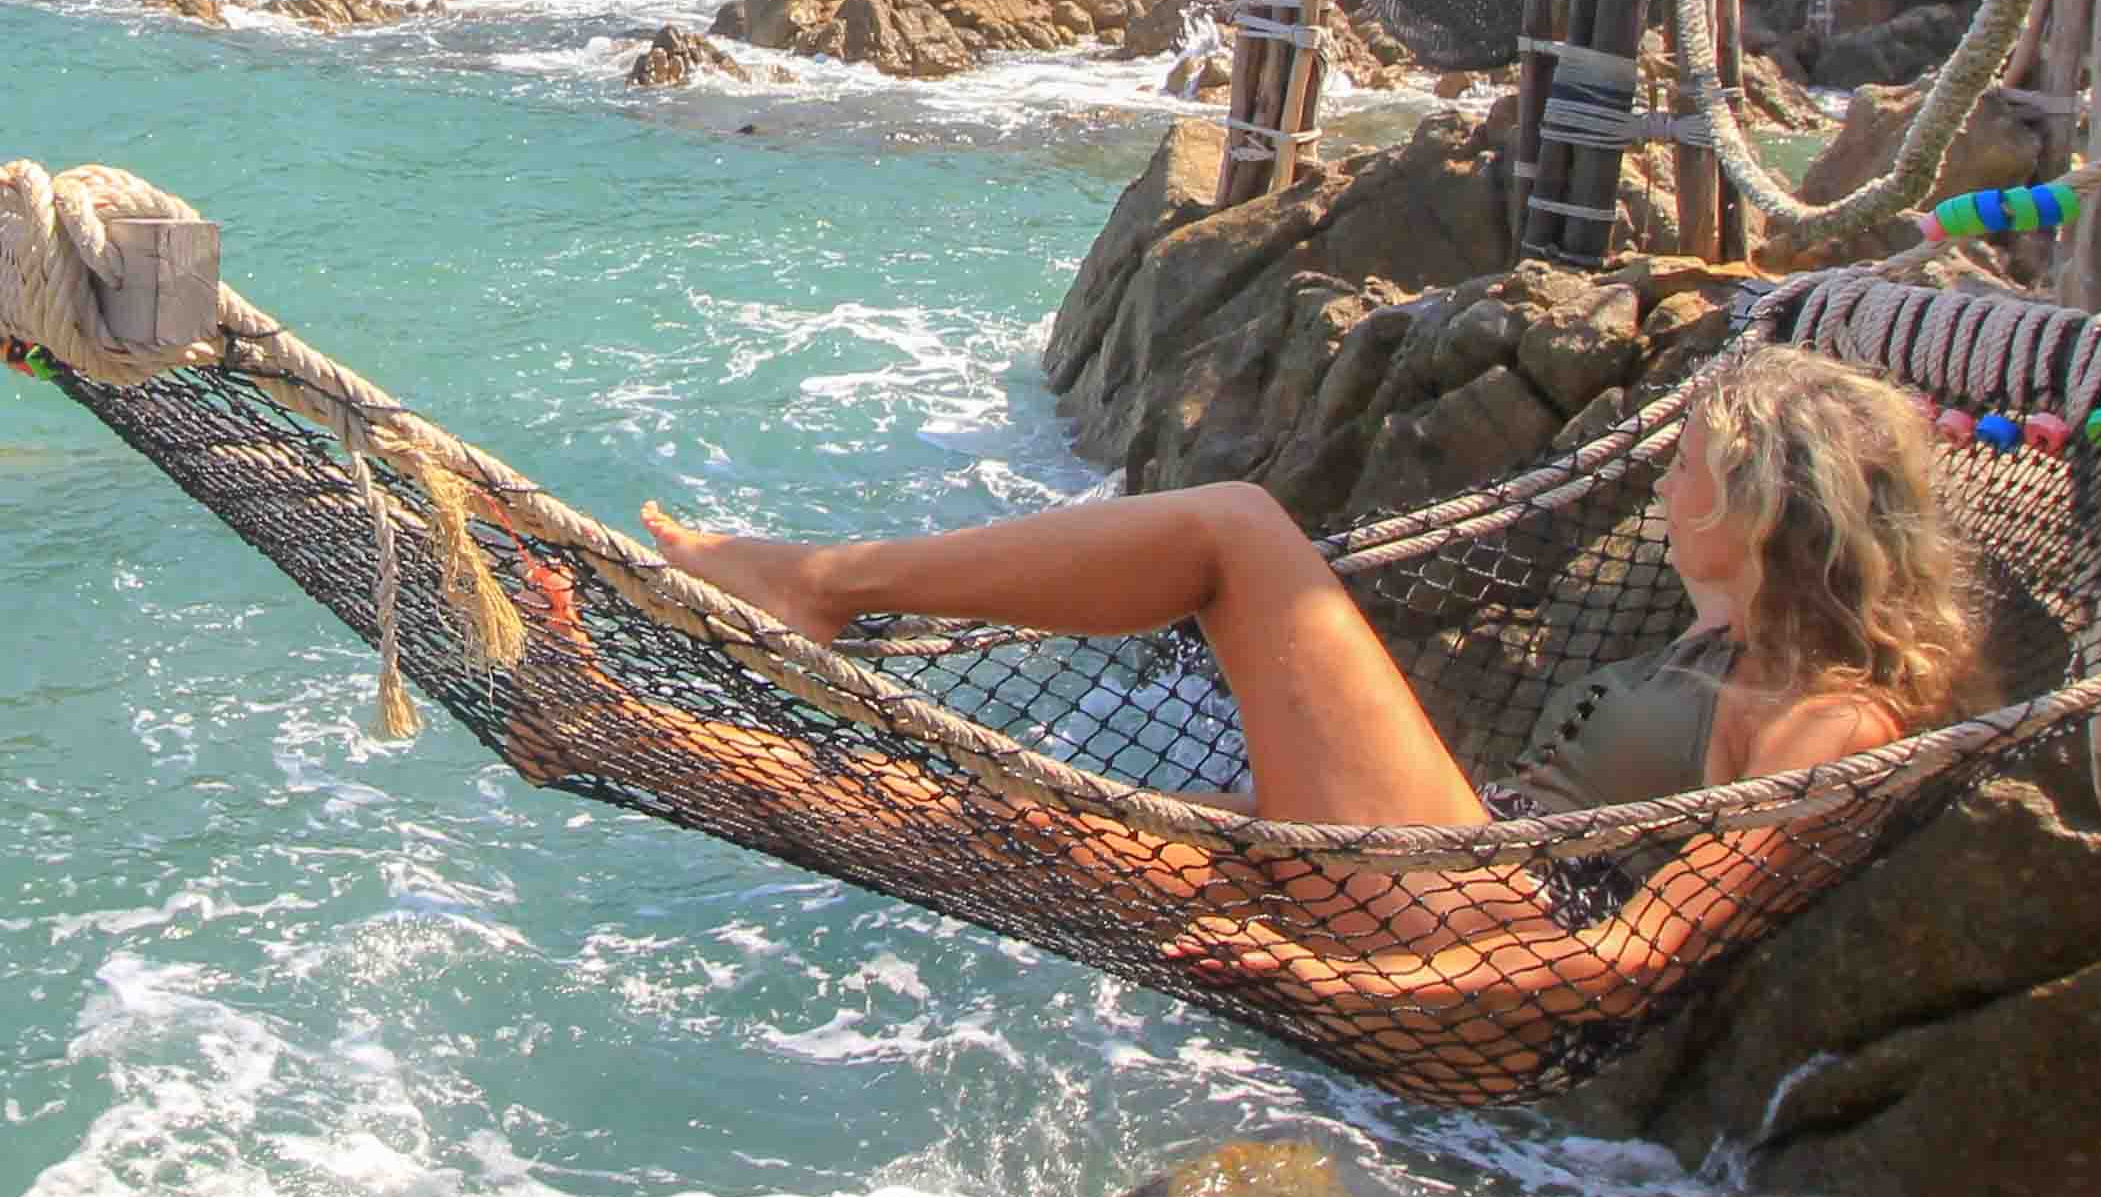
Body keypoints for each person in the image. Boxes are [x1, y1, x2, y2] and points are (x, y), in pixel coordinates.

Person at [602, 346, 1980, 1017]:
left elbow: (1635, 953)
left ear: (1766, 506)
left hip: (1450, 920)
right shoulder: (1729, 647)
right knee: (997, 828)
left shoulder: (1834, 722)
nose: (1664, 486)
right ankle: (615, 722)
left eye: (1687, 468)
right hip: (1428, 876)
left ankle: (822, 582)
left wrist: (1337, 991)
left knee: (1237, 530)